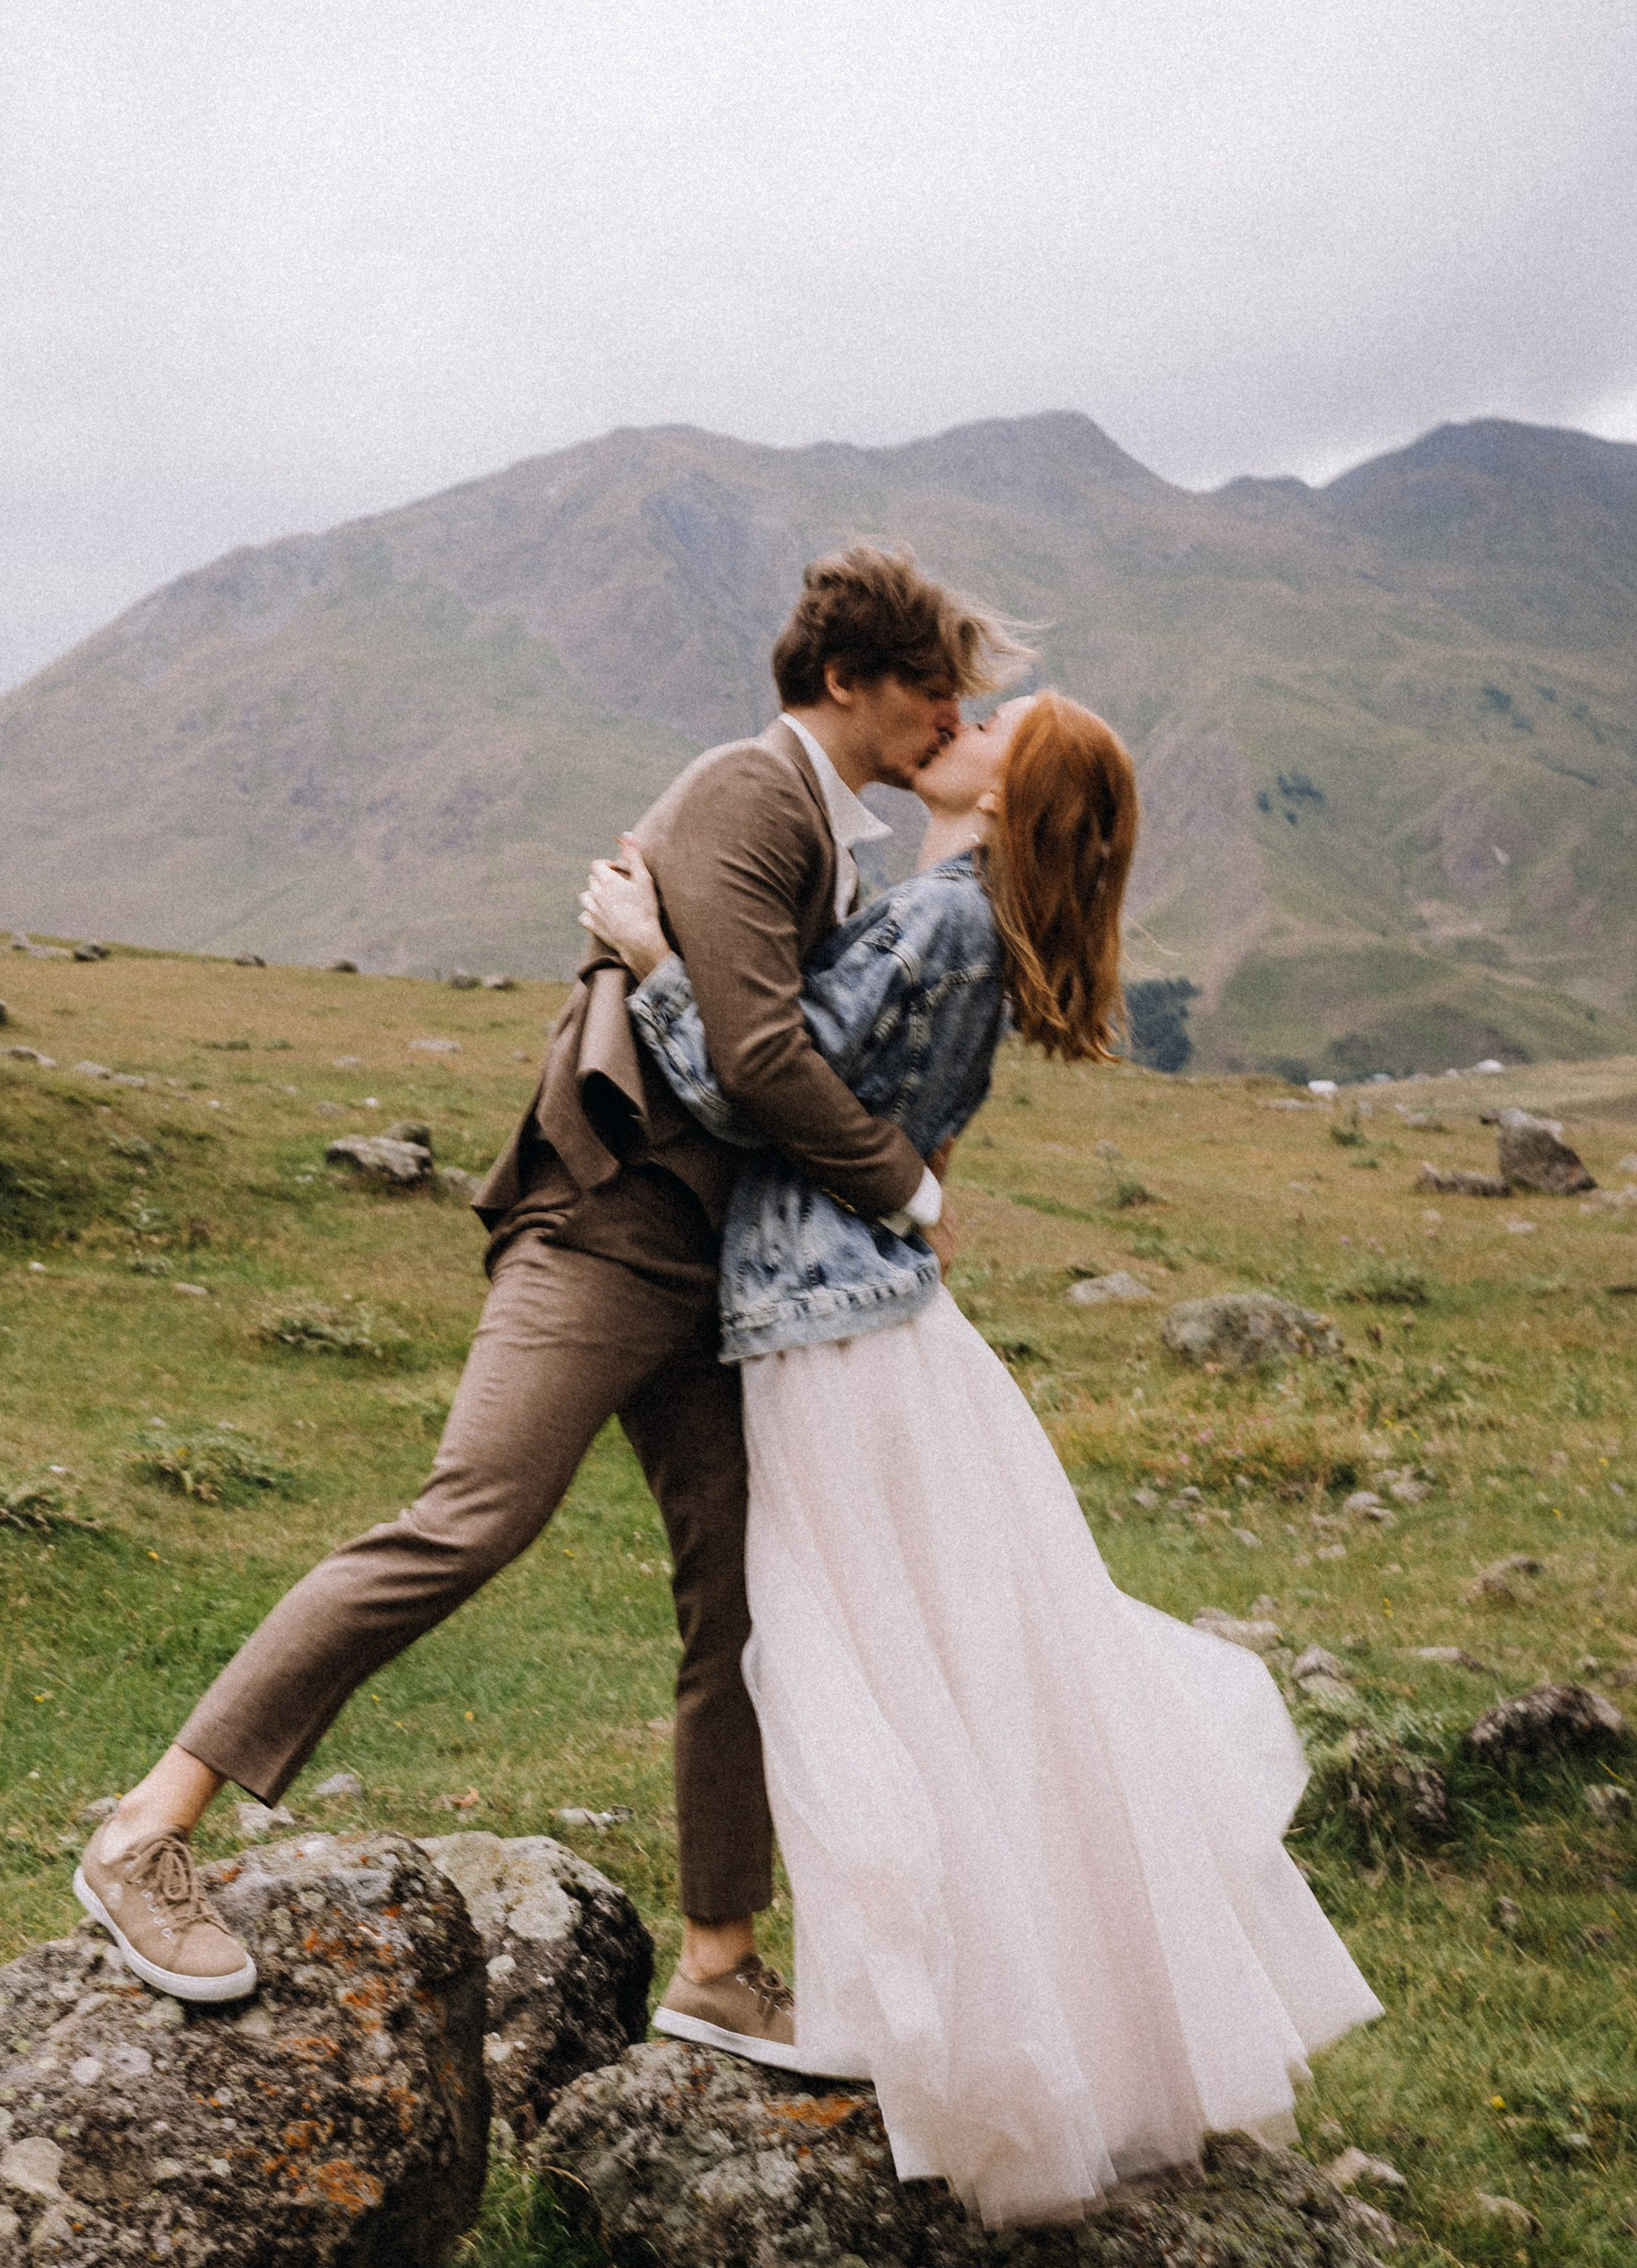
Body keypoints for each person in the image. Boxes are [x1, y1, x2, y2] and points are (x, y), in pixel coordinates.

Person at [74, 549, 1018, 2062]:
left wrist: (669, 968)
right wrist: (907, 1187)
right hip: (604, 1225)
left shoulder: (836, 841)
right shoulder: (749, 793)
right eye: (932, 688)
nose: (950, 717)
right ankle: (144, 1830)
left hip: (715, 1270)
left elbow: (766, 1039)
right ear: (849, 682)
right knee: (468, 1519)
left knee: (741, 1605)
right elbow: (760, 1059)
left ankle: (718, 1962)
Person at [580, 691, 1383, 2228]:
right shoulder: (945, 913)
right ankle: (997, 2018)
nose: (959, 718)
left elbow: (756, 1093)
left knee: (853, 1666)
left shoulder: (944, 919)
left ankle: (942, 2029)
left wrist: (650, 956)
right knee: (946, 1664)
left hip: (832, 1336)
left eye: (996, 726)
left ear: (1011, 798)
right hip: (864, 1322)